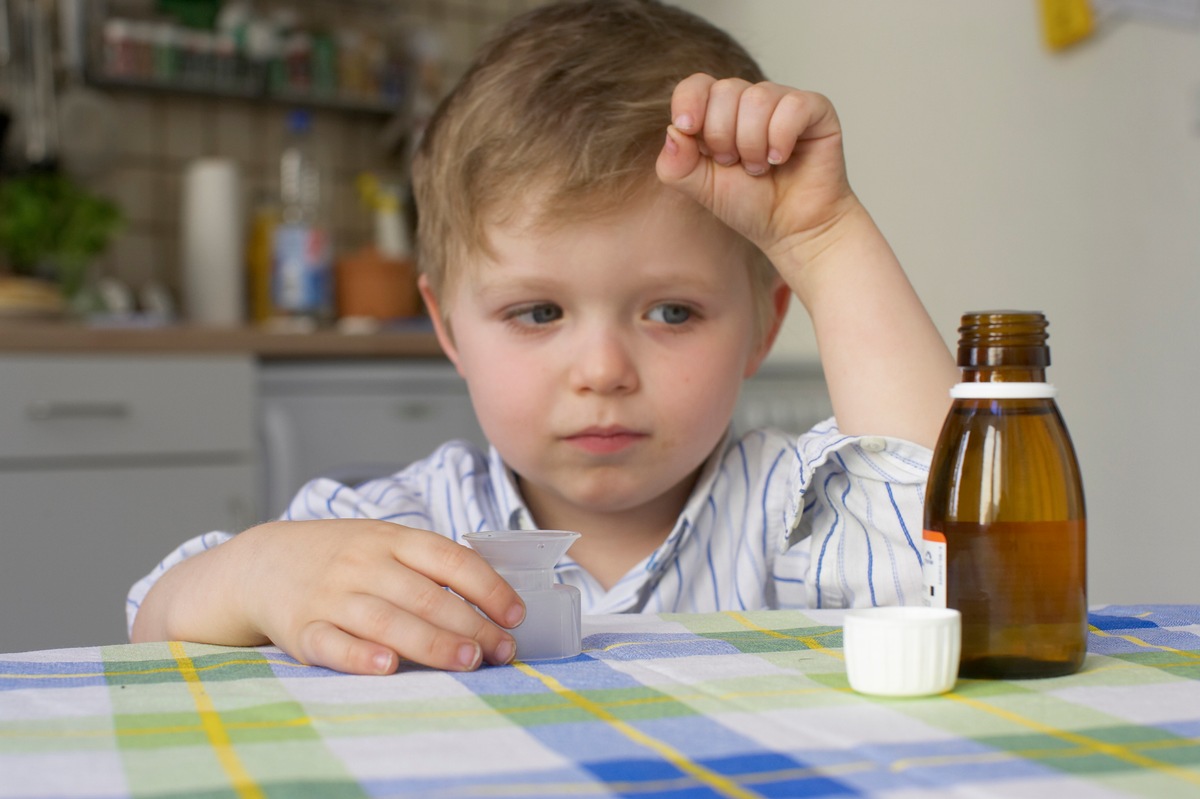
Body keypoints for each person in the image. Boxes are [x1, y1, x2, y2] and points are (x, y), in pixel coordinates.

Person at [129, 0, 958, 675]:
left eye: (671, 312)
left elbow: (951, 538)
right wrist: (260, 571)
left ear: (765, 324)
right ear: (449, 328)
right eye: (538, 313)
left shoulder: (794, 515)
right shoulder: (403, 529)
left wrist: (825, 237)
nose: (602, 371)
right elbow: (155, 623)